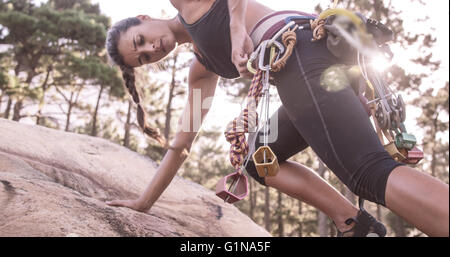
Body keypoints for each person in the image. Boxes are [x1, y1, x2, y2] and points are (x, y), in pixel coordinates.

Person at [105, 0, 449, 237]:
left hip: (304, 51)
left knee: (369, 173)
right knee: (259, 159)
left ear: (144, 18)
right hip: (313, 68)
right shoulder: (203, 68)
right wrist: (143, 203)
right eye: (144, 58)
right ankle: (354, 224)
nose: (151, 50)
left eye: (140, 41)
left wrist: (238, 26)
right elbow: (181, 145)